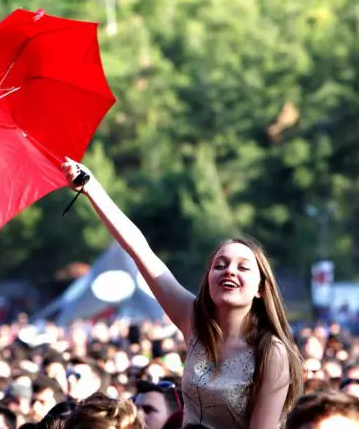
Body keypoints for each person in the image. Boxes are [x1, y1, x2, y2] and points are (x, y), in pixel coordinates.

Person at [61, 160, 303, 429]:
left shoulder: (271, 351)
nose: (229, 271)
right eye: (219, 265)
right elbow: (141, 252)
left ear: (260, 289)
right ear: (208, 280)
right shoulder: (193, 321)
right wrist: (91, 188)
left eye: (242, 267)